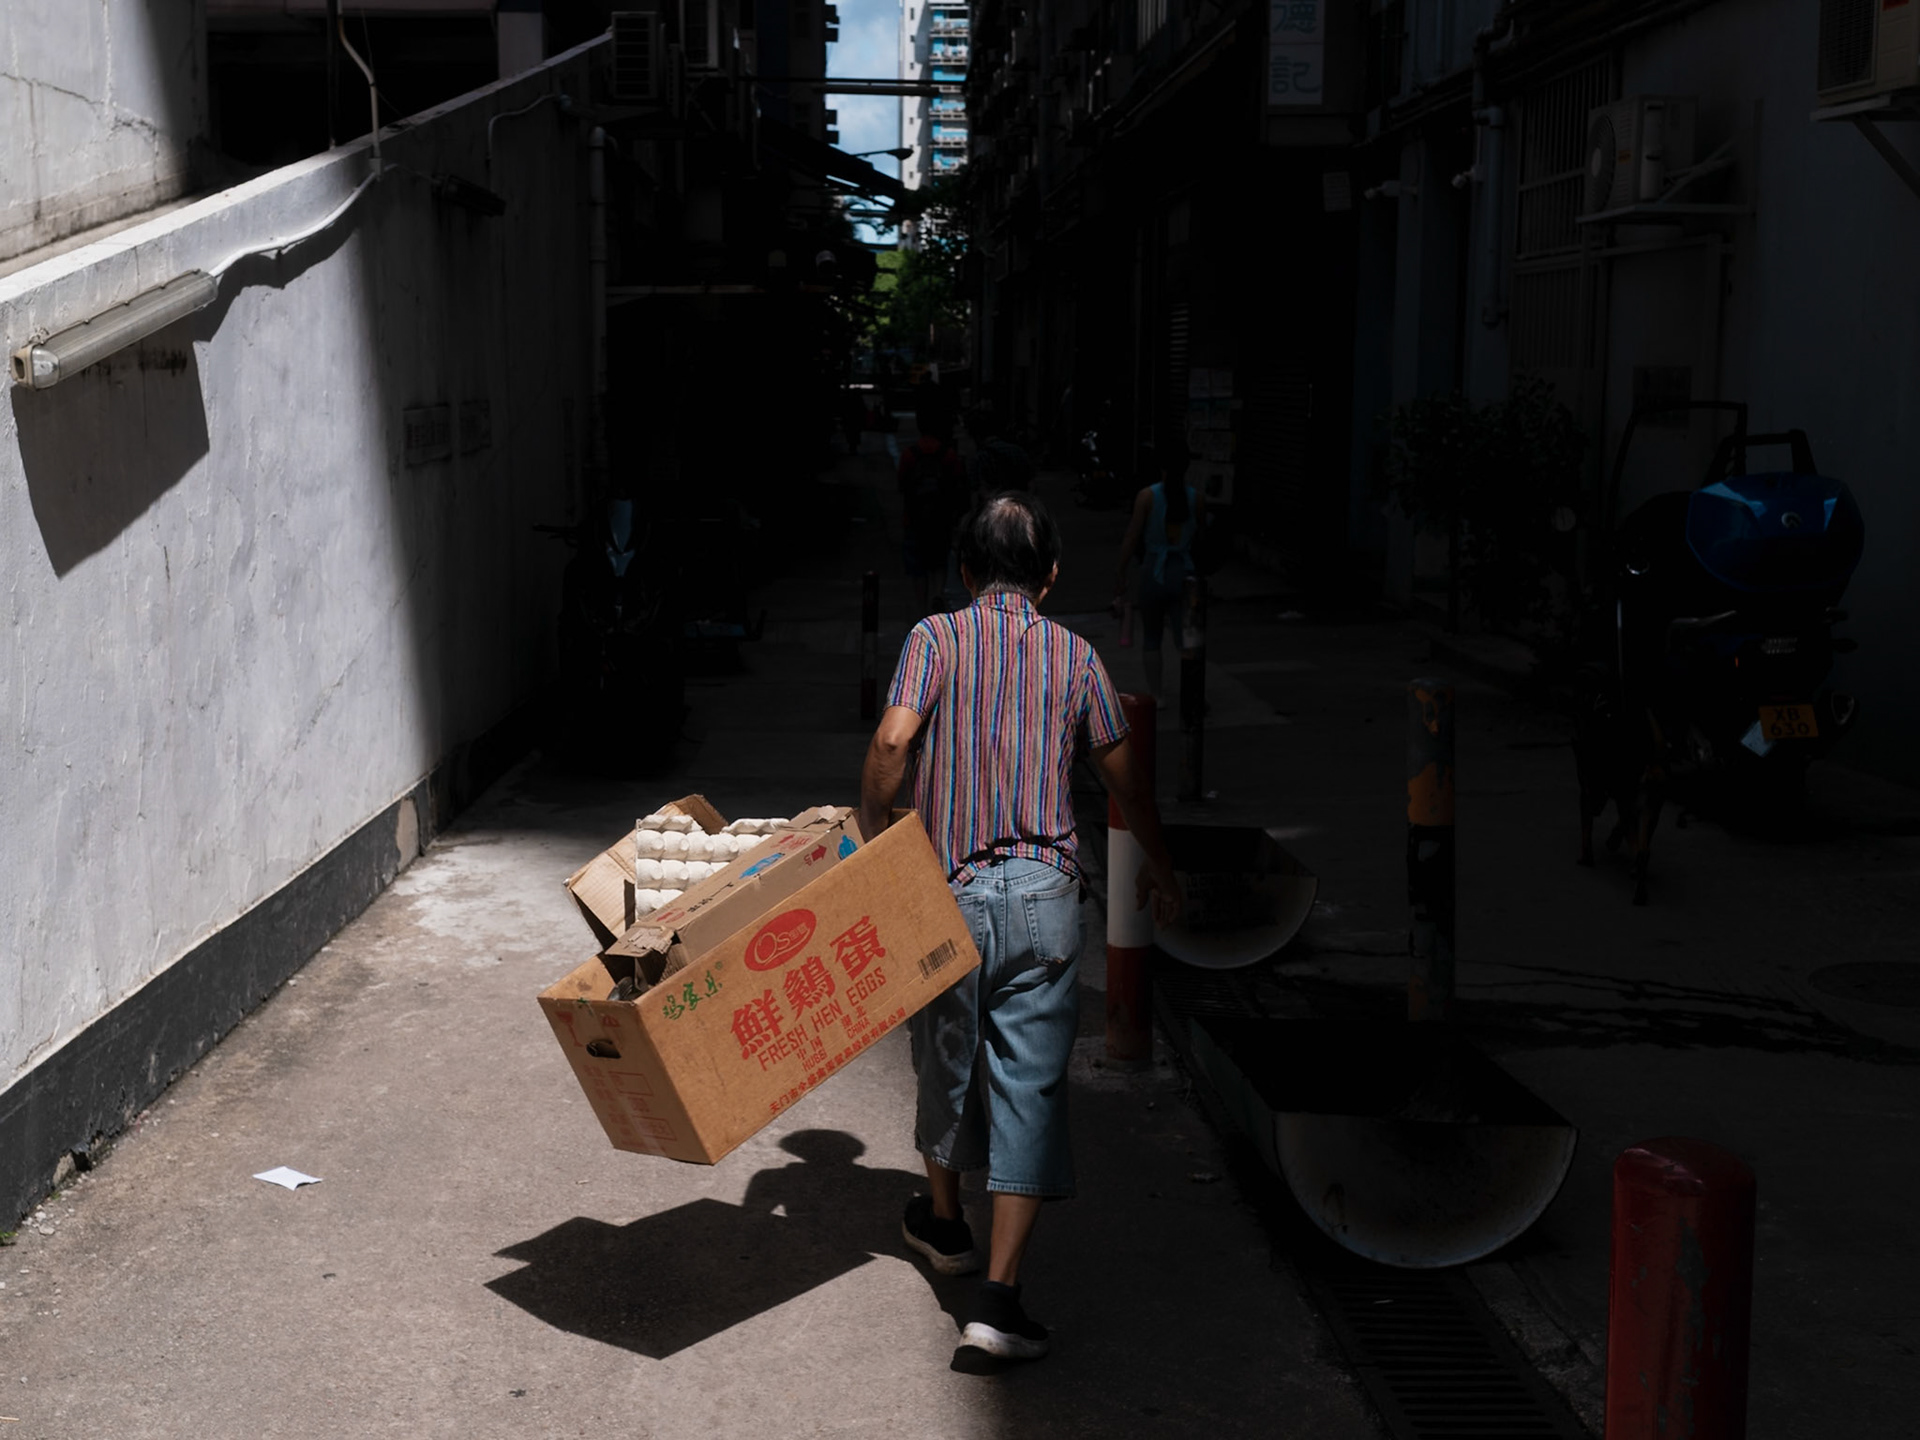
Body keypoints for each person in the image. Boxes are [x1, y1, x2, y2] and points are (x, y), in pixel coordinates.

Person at [859, 491, 1181, 1362]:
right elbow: (1127, 781)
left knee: (941, 1051)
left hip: (949, 891)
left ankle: (946, 1224)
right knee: (1029, 1088)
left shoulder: (933, 639)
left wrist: (869, 839)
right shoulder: (1077, 660)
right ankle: (999, 1302)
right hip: (1043, 901)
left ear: (965, 572)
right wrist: (1160, 863)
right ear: (1048, 576)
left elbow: (892, 748)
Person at [1114, 447, 1208, 704]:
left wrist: (1121, 573)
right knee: (1186, 638)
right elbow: (1201, 538)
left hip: (1153, 572)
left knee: (1152, 636)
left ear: (1161, 468)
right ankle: (1193, 693)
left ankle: (1157, 694)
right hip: (1184, 574)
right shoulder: (1195, 498)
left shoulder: (1147, 497)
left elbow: (1132, 537)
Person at [898, 403, 968, 618]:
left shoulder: (910, 455)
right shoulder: (947, 455)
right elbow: (958, 486)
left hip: (915, 519)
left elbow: (902, 486)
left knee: (917, 569)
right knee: (939, 563)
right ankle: (936, 596)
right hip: (941, 519)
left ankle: (921, 610)